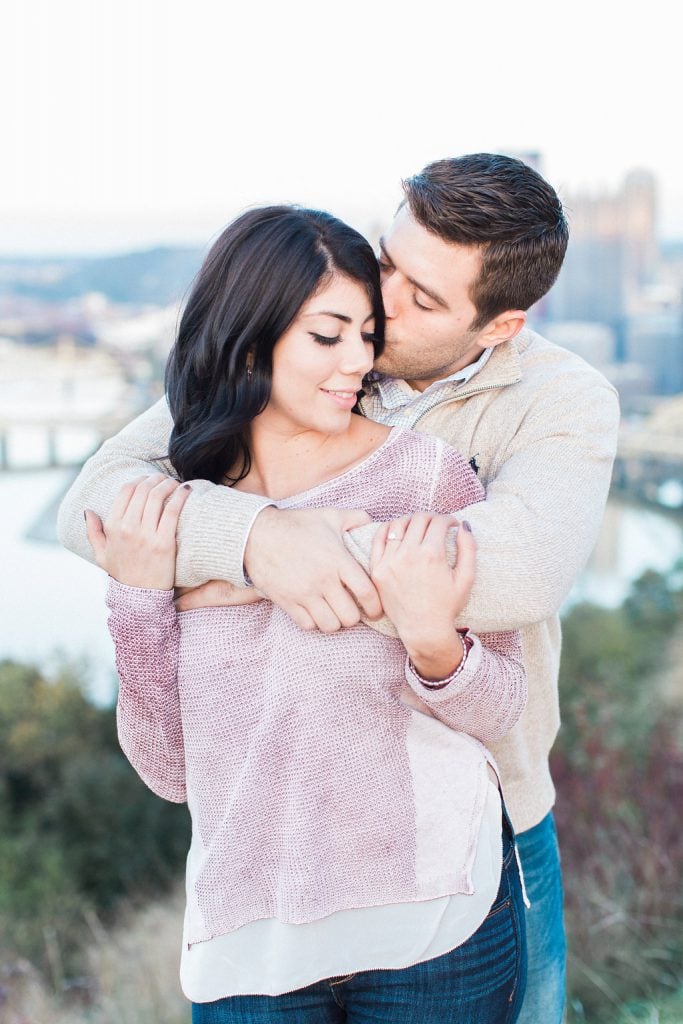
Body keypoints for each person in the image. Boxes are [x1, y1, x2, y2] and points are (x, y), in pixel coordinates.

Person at [58, 154, 621, 1023]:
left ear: (500, 325)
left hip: (480, 825)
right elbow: (91, 510)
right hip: (272, 853)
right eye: (387, 259)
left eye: (420, 298)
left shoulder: (563, 401)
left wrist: (270, 567)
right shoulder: (299, 340)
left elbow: (518, 572)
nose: (381, 303)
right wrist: (256, 541)